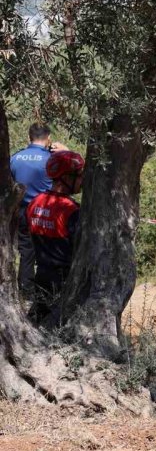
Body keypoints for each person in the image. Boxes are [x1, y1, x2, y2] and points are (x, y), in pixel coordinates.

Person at [26, 150, 84, 327]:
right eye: (79, 176)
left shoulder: (34, 202)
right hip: (64, 281)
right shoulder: (72, 210)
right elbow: (80, 248)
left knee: (34, 323)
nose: (82, 182)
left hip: (41, 275)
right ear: (66, 177)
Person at [10, 123, 68, 297]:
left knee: (26, 252)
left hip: (21, 211)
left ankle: (26, 294)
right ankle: (49, 294)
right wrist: (65, 151)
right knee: (50, 252)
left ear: (29, 137)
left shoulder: (15, 158)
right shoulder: (52, 159)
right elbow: (72, 175)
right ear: (48, 138)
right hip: (46, 210)